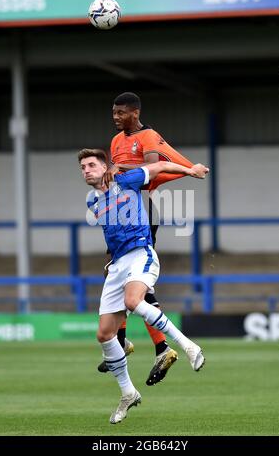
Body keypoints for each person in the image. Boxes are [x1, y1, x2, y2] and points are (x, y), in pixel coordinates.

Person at [78, 148, 209, 424]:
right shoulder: (93, 201)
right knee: (104, 335)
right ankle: (128, 392)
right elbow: (113, 233)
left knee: (133, 302)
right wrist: (111, 264)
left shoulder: (126, 181)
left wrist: (190, 170)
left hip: (141, 254)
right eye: (82, 167)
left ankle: (188, 346)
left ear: (105, 168)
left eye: (91, 165)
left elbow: (160, 165)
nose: (86, 170)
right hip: (117, 265)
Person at [98, 91, 207, 386]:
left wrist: (119, 170)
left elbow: (152, 167)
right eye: (113, 112)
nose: (115, 117)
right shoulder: (116, 140)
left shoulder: (147, 136)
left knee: (133, 281)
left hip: (142, 210)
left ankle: (135, 344)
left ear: (134, 113)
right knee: (117, 274)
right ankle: (153, 347)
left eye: (120, 112)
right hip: (119, 211)